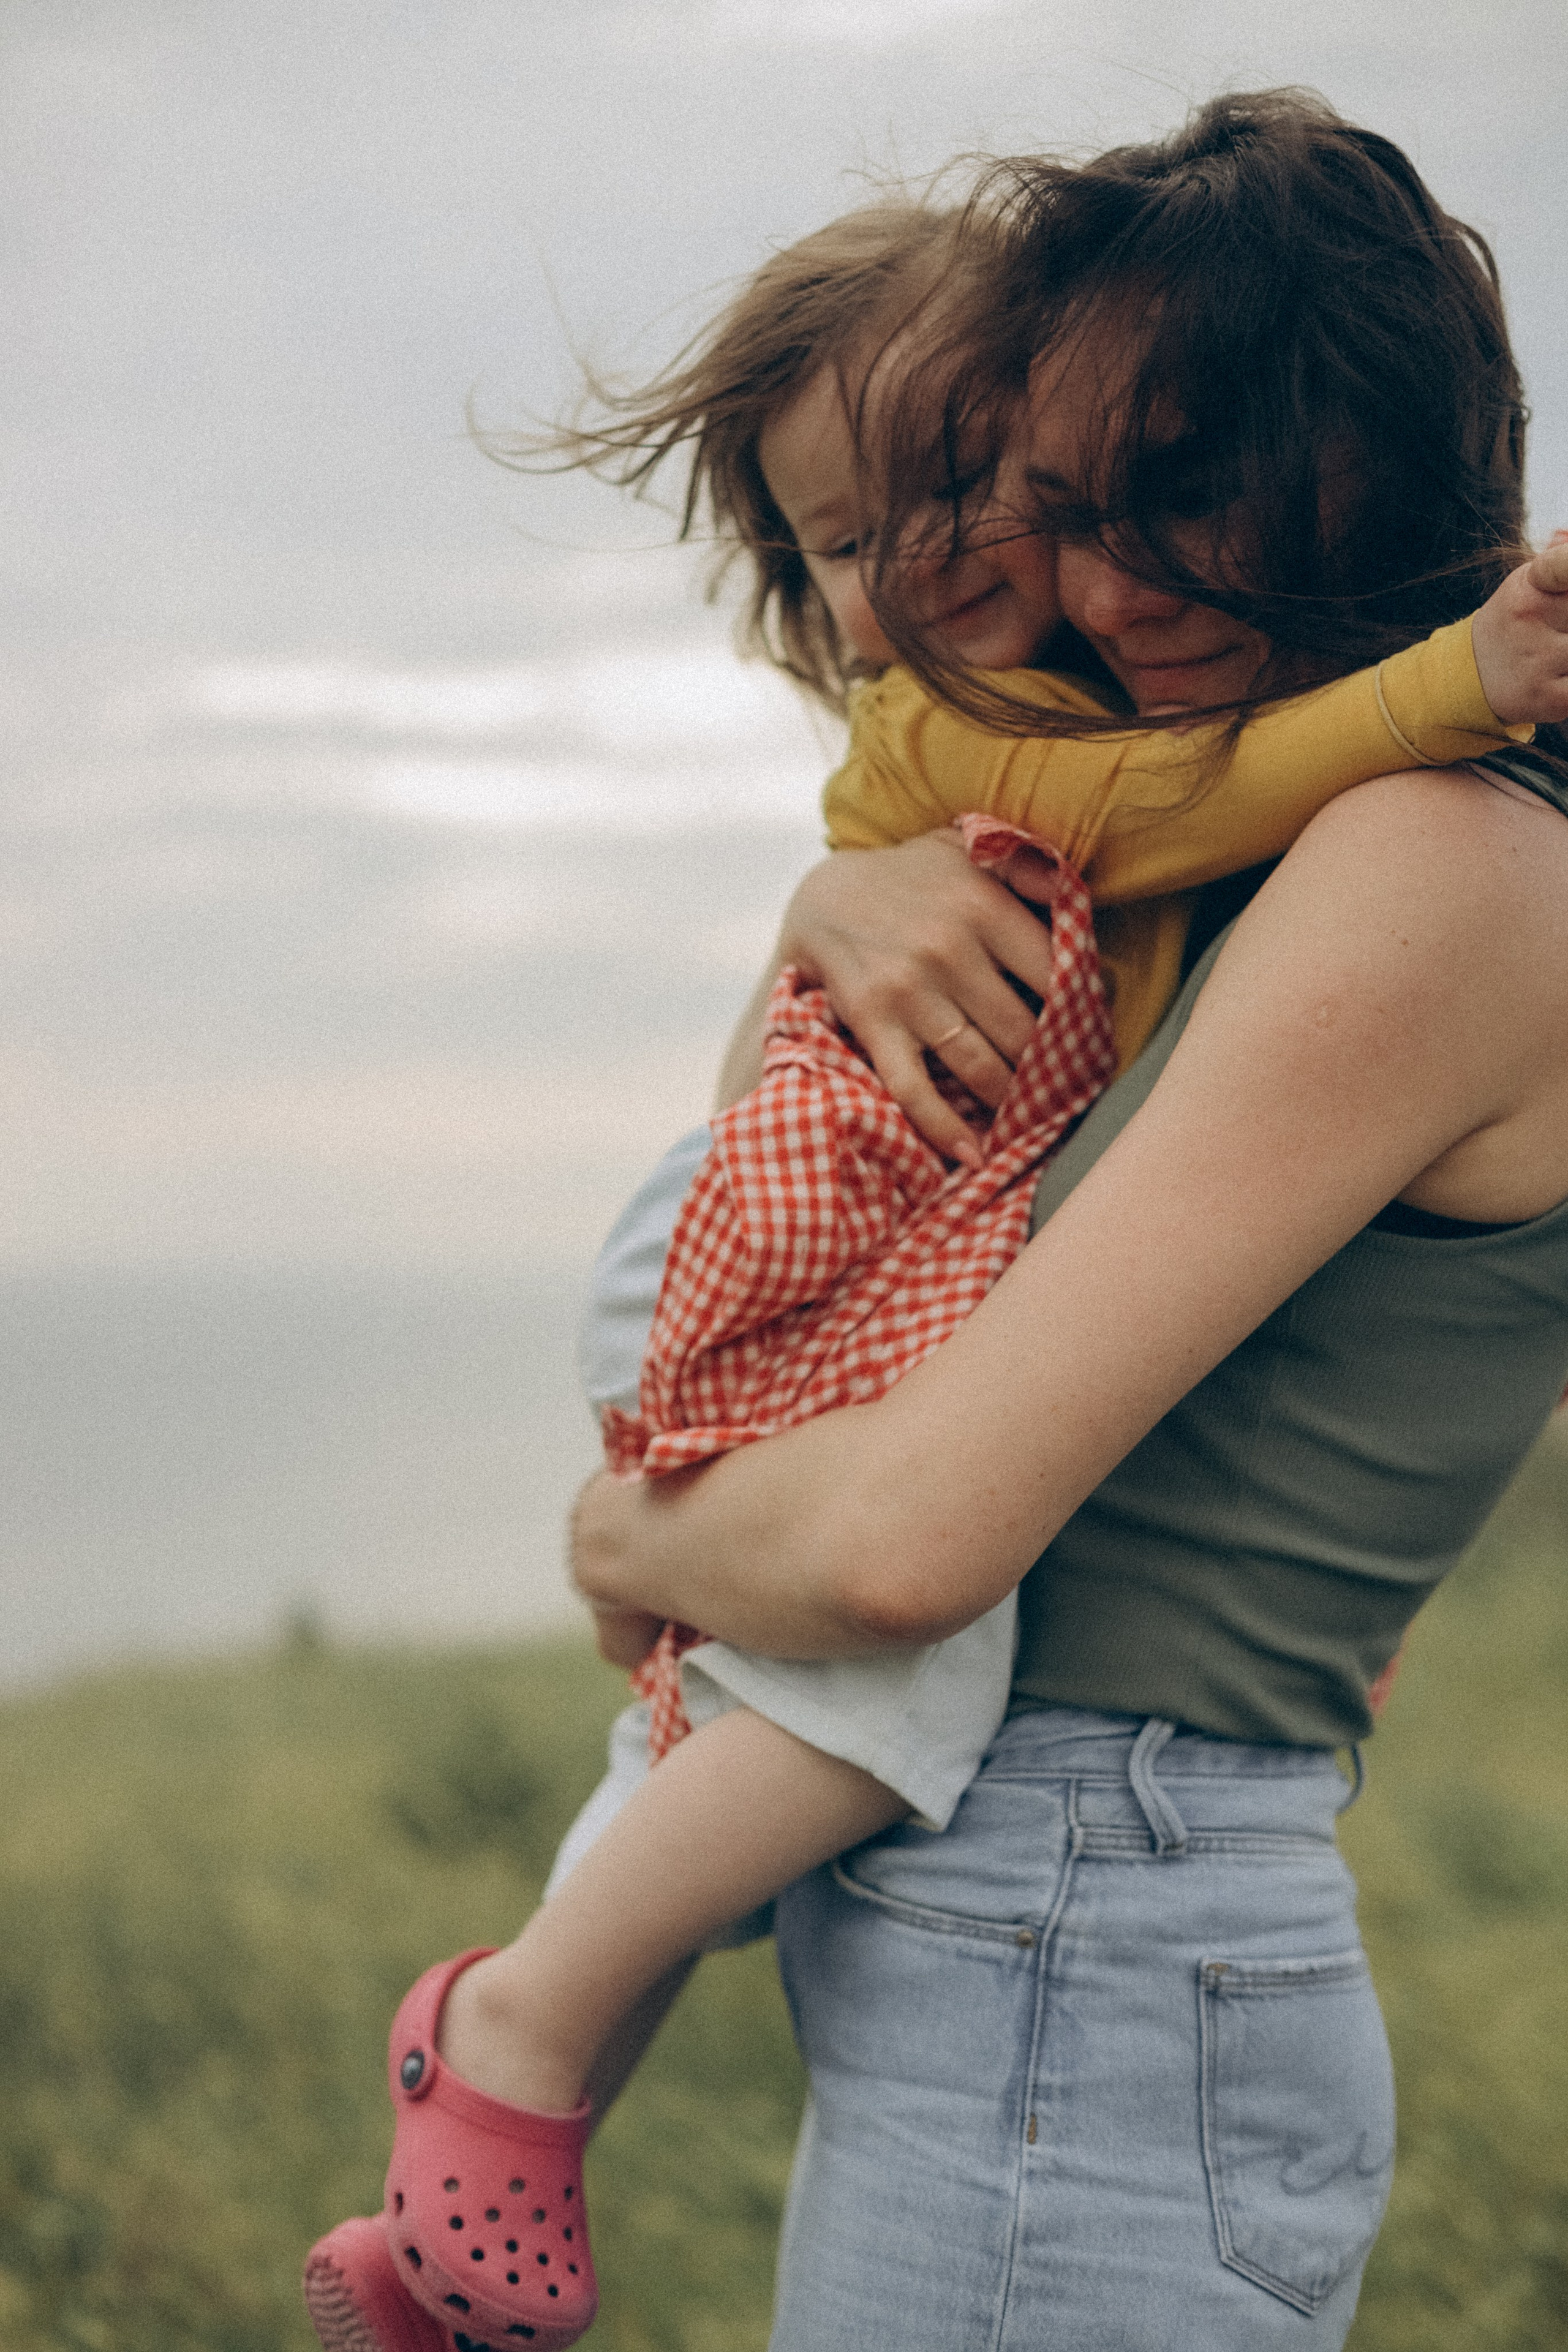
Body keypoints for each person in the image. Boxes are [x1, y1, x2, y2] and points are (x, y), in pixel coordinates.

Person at [301, 137, 1568, 2352]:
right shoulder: (1272, 856)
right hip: (1028, 1905)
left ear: (1365, 455)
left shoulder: (1435, 859)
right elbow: (807, 1184)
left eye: (1179, 483)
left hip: (1092, 1907)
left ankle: (510, 2054)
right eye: (1068, 500)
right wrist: (834, 905)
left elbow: (898, 1548)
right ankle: (503, 2099)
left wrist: (627, 1537)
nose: (1101, 575)